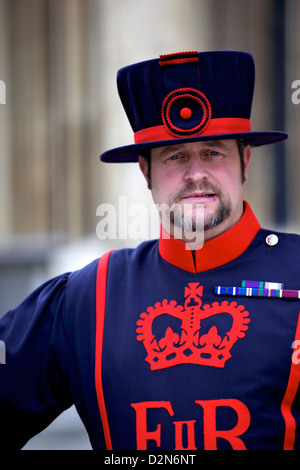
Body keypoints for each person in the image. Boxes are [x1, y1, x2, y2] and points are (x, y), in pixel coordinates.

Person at [0, 49, 299, 451]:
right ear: (147, 171)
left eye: (214, 152)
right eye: (175, 156)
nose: (196, 174)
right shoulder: (87, 297)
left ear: (244, 160)